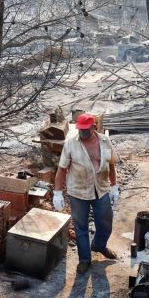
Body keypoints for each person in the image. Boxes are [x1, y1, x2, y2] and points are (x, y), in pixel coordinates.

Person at [53, 113, 120, 274]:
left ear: (94, 127)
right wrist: (57, 193)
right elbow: (62, 169)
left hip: (101, 188)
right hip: (78, 191)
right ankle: (84, 259)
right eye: (80, 129)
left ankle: (99, 245)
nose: (82, 133)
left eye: (85, 130)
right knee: (81, 227)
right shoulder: (70, 144)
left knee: (105, 222)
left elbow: (111, 165)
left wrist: (114, 187)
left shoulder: (105, 141)